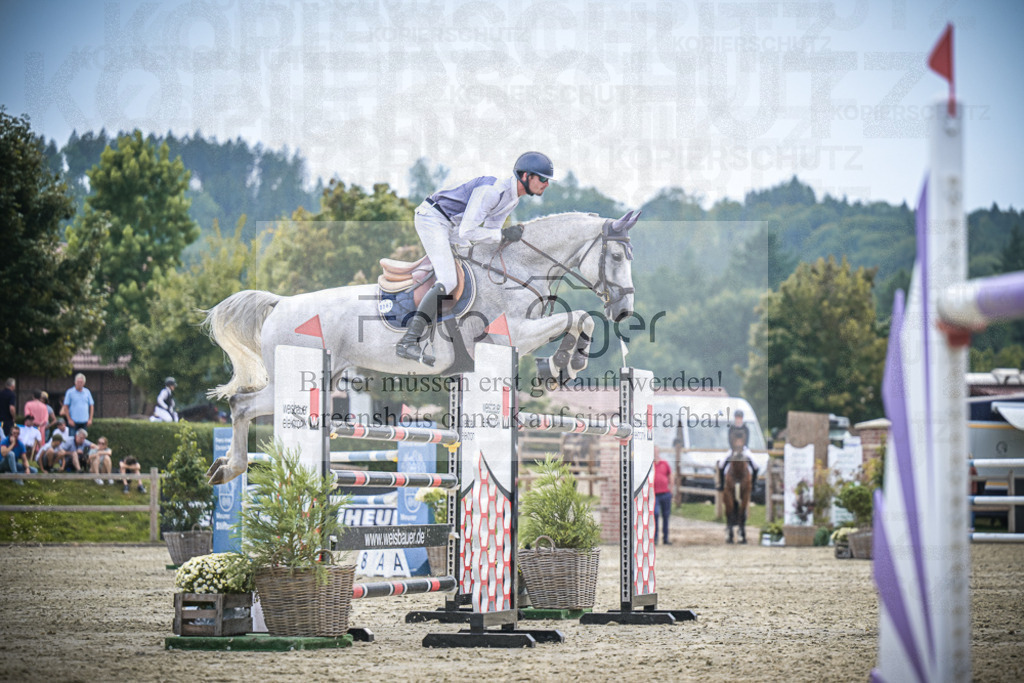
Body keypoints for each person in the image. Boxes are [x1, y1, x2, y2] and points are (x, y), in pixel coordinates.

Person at [395, 152, 554, 365]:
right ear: (526, 176)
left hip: (453, 226)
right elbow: (468, 232)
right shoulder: (493, 191)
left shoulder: (512, 199)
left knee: (476, 270)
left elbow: (489, 235)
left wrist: (507, 241)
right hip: (433, 219)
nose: (546, 184)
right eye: (542, 178)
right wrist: (502, 235)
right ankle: (408, 340)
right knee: (449, 280)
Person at [653, 447, 673, 545]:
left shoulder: (664, 463)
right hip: (654, 494)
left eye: (656, 452)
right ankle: (655, 538)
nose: (655, 454)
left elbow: (670, 475)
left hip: (665, 493)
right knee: (655, 514)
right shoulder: (650, 465)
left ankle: (666, 538)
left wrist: (671, 489)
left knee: (666, 515)